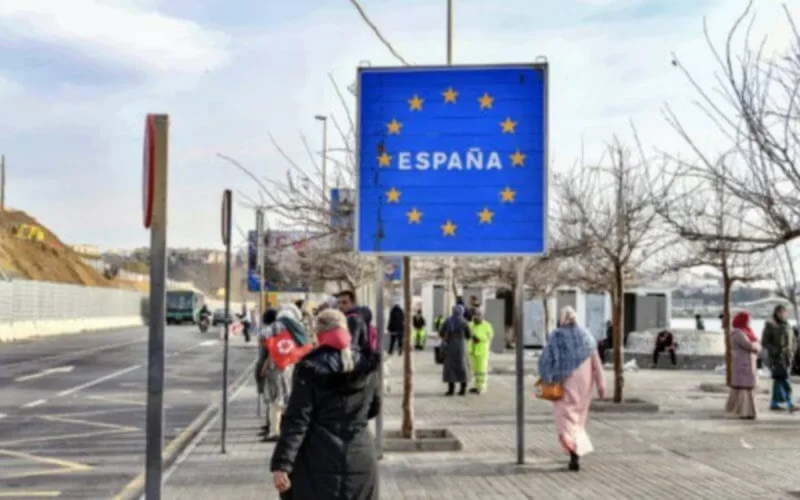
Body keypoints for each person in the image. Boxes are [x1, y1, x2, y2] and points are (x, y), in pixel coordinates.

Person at [270, 309, 381, 499]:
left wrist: (282, 464)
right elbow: (373, 408)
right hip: (360, 458)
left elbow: (297, 421)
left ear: (319, 334)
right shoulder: (366, 364)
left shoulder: (309, 367)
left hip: (317, 461)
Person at [538, 306, 606, 472]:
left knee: (564, 417)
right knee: (579, 419)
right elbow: (597, 363)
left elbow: (546, 359)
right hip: (585, 385)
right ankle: (577, 449)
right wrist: (601, 385)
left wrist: (547, 377)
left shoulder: (557, 336)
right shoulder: (586, 336)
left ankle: (572, 448)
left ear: (562, 319)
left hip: (564, 382)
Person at [259, 303, 309, 441]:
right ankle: (288, 428)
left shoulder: (278, 325)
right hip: (292, 365)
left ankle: (274, 432)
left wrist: (272, 348)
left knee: (276, 399)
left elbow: (262, 336)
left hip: (277, 367)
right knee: (288, 396)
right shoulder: (299, 328)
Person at [726, 311, 761, 420]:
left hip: (746, 363)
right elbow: (750, 345)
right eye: (748, 320)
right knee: (745, 389)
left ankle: (747, 411)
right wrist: (756, 345)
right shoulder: (738, 333)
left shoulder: (745, 332)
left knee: (746, 389)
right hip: (743, 364)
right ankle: (745, 412)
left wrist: (756, 345)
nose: (750, 322)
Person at [761, 305, 796, 412]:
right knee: (783, 380)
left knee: (779, 380)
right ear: (776, 313)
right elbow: (764, 342)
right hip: (776, 357)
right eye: (779, 312)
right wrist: (775, 351)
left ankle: (774, 403)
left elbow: (793, 340)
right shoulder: (770, 325)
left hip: (787, 357)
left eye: (784, 312)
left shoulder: (788, 326)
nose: (782, 314)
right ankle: (790, 403)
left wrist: (792, 351)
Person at [439, 304, 471, 396]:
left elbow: (441, 333)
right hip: (461, 346)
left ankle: (451, 389)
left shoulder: (448, 320)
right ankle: (463, 389)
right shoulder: (464, 322)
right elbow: (469, 335)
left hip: (449, 346)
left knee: (450, 367)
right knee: (462, 366)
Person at [468, 307, 493, 394]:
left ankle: (481, 387)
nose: (477, 317)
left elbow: (489, 337)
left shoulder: (487, 325)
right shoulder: (470, 325)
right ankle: (476, 386)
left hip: (482, 351)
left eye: (479, 315)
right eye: (475, 315)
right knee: (474, 370)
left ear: (482, 316)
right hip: (472, 350)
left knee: (481, 370)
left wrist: (478, 337)